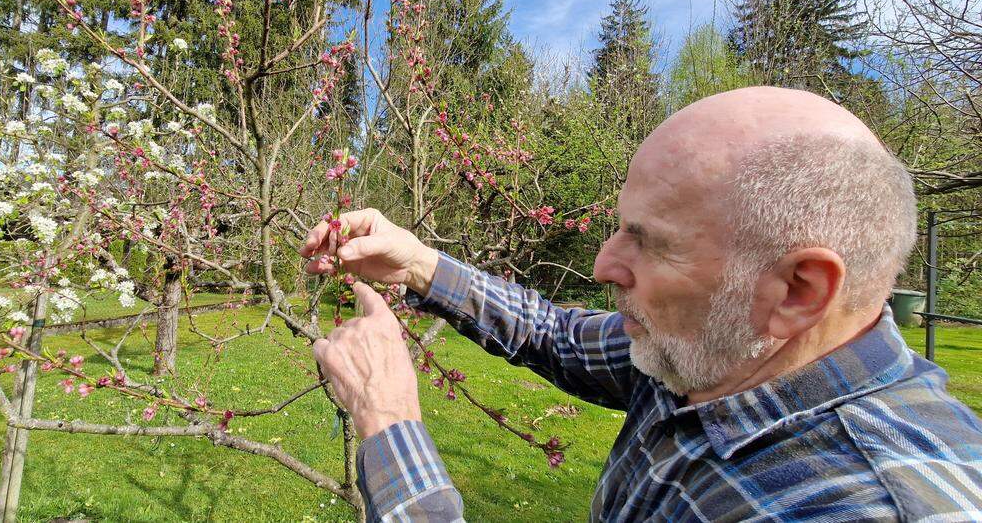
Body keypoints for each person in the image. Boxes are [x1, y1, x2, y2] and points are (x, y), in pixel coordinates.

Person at [302, 87, 982, 521]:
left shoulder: (859, 503)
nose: (602, 264)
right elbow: (556, 335)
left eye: (647, 241)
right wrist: (418, 263)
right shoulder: (708, 351)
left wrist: (389, 421)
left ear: (798, 290)